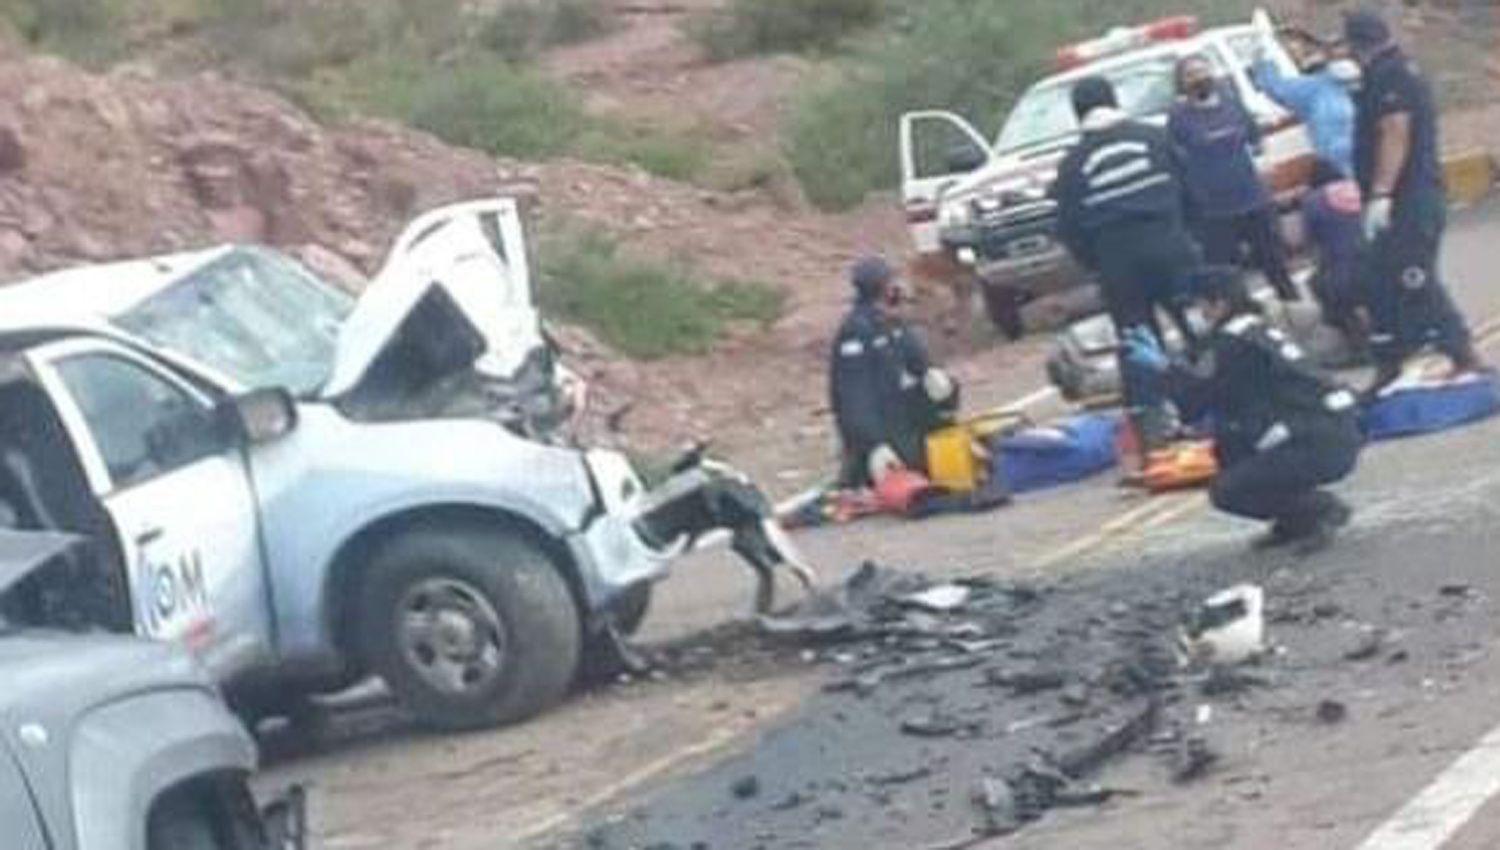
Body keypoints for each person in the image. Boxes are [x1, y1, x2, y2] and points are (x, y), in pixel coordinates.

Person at [1122, 266, 1363, 553]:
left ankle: (1317, 511)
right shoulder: (1256, 328)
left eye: (1199, 304)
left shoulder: (1232, 342)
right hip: (1330, 429)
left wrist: (1162, 370)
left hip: (1313, 439)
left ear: (1218, 303)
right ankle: (1293, 521)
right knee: (1229, 449)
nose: (1196, 313)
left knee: (1227, 490)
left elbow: (1198, 400)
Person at [1050, 76, 1199, 447]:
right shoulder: (1153, 137)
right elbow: (1189, 188)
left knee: (1138, 341)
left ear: (1078, 113)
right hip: (1170, 246)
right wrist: (1188, 238)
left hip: (1119, 262)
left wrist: (1099, 263)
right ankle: (1220, 400)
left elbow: (1069, 227)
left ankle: (1154, 428)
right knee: (1195, 325)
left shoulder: (1073, 163)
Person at [1344, 8, 1484, 395]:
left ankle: (1462, 353)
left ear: (1356, 45)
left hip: (1409, 198)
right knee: (1381, 281)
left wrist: (1382, 193)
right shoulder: (1385, 71)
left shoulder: (1392, 75)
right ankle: (1393, 358)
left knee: (1414, 277)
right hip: (1403, 198)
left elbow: (1395, 132)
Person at [1168, 55, 1299, 302]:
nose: (1199, 79)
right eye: (1191, 75)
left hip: (1253, 200)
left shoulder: (1232, 104)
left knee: (1275, 265)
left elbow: (1256, 140)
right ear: (1181, 84)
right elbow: (1176, 162)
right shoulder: (1178, 118)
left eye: (1203, 71)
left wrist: (1264, 165)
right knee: (1229, 278)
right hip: (1215, 211)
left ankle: (1294, 309)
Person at [829, 256, 958, 487]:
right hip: (879, 423)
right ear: (881, 288)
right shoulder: (856, 331)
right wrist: (874, 444)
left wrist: (932, 374)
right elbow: (854, 400)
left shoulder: (891, 322)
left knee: (947, 387)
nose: (897, 287)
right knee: (912, 473)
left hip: (899, 410)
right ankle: (859, 465)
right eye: (892, 282)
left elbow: (917, 361)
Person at [1250, 26, 1358, 177]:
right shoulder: (1316, 88)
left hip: (1354, 169)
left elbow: (1275, 87)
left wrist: (1261, 54)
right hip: (1347, 171)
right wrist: (1262, 53)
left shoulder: (1316, 88)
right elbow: (1277, 87)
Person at [1302, 158, 1368, 356]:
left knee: (1318, 285)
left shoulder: (1313, 201)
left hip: (1346, 275)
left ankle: (1356, 342)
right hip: (1385, 262)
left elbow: (1310, 243)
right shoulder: (1360, 188)